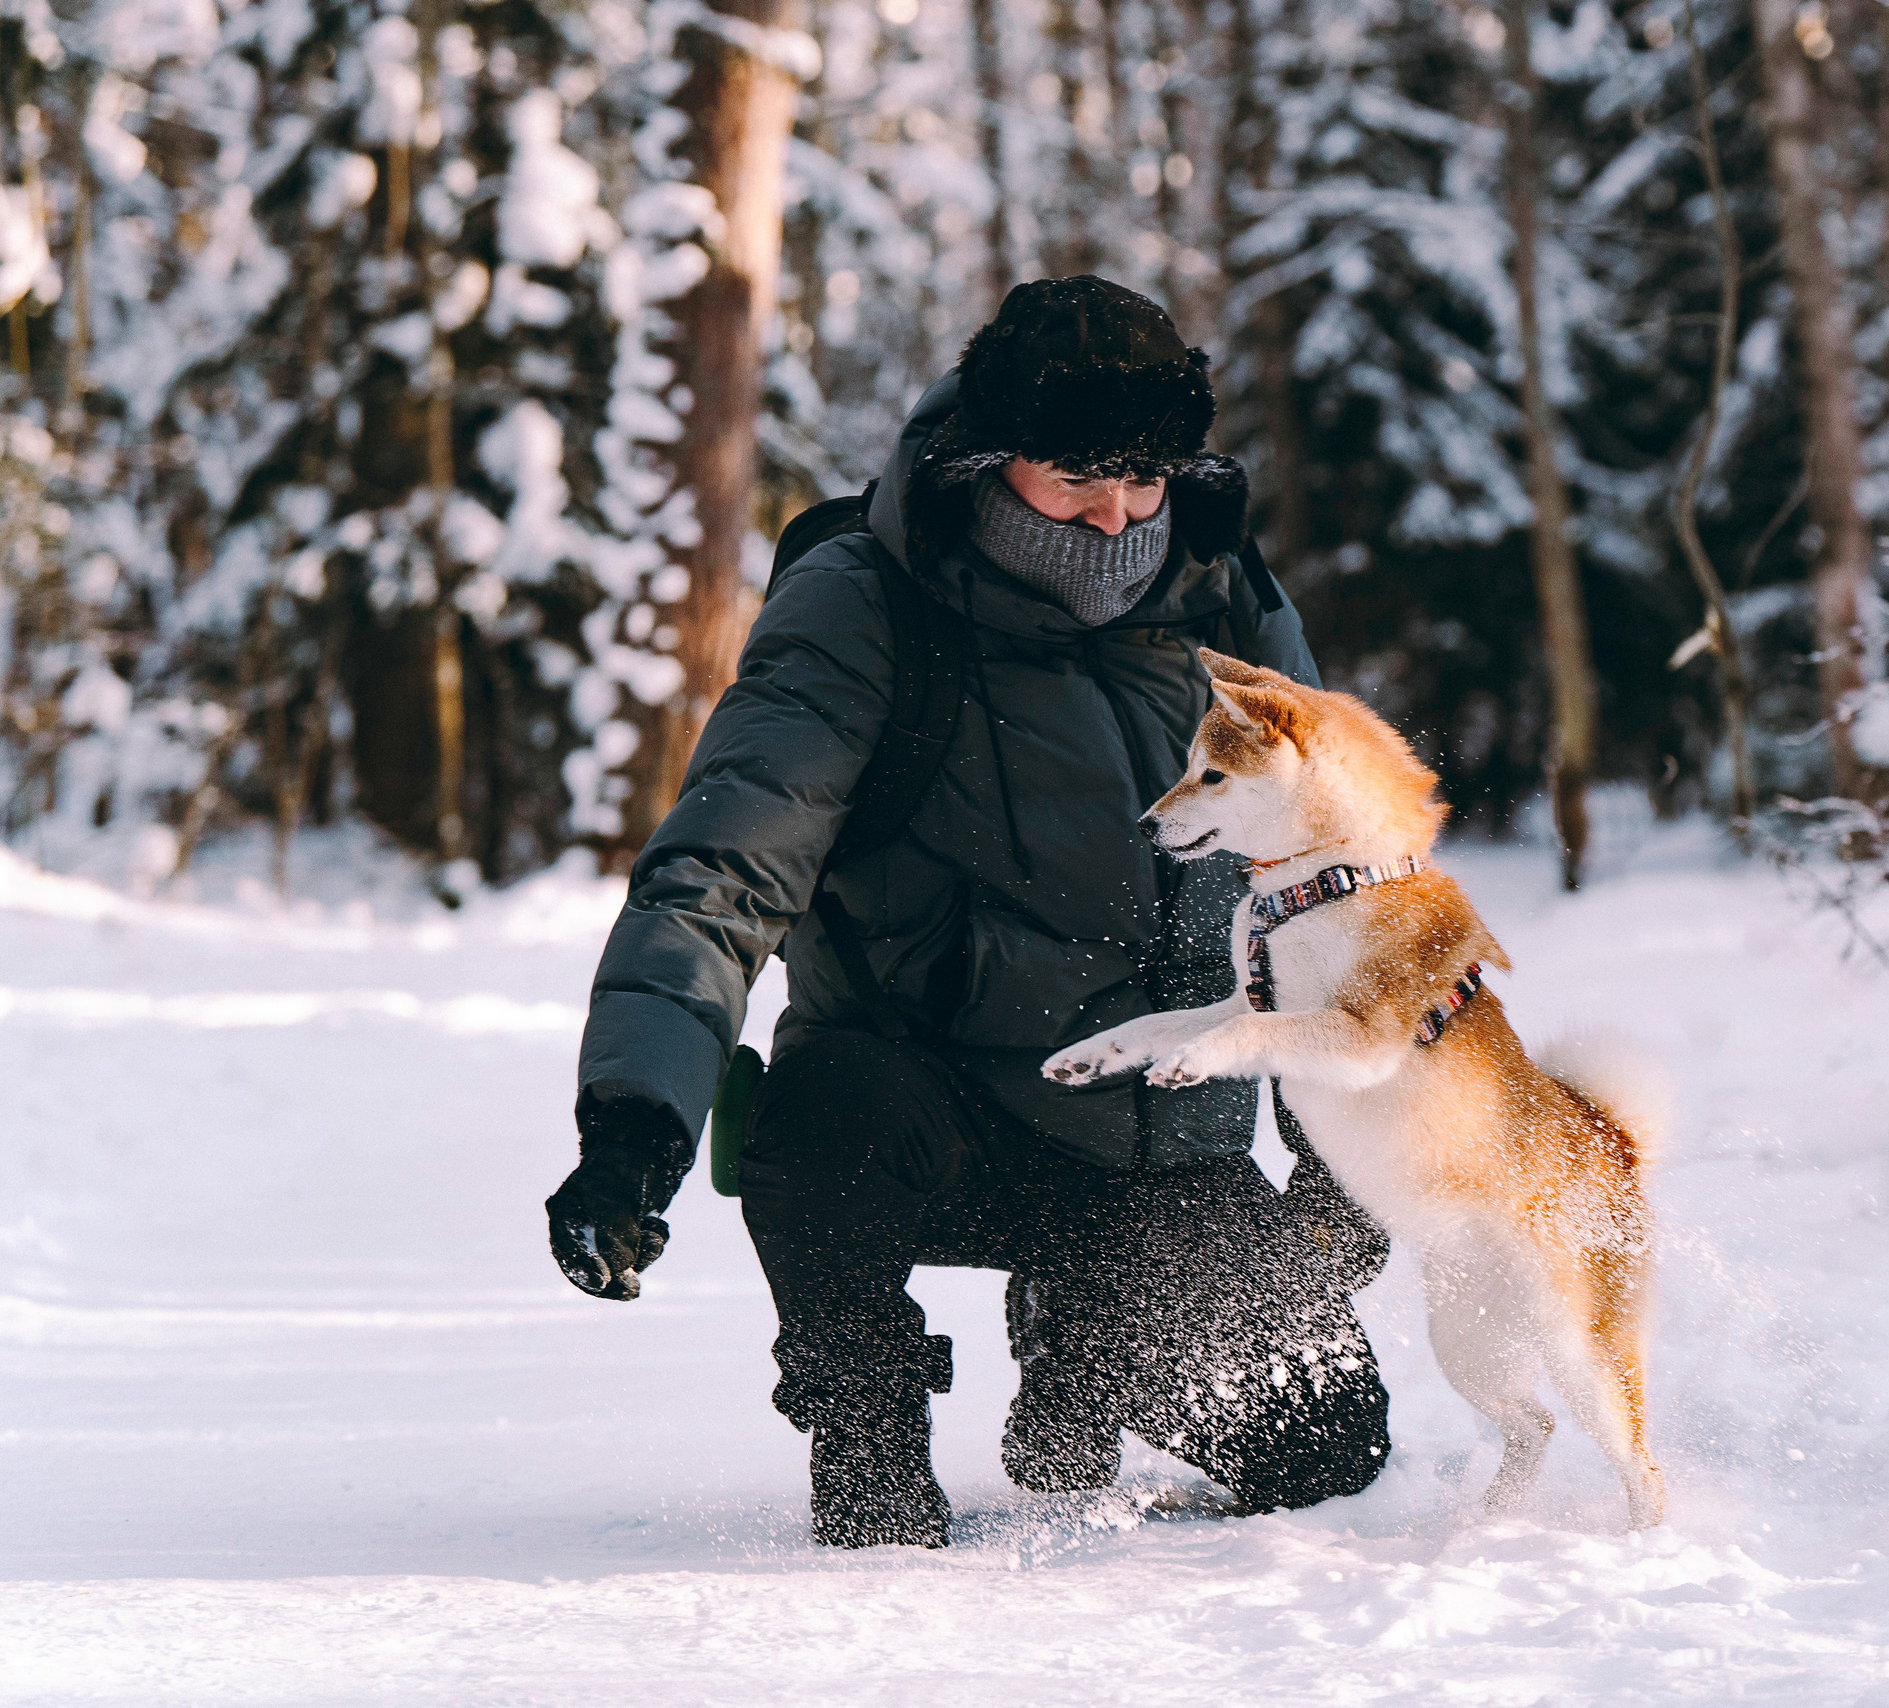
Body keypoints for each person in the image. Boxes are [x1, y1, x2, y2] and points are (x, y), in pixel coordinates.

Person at [544, 277, 1391, 1547]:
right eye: (1077, 484)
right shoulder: (865, 603)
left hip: (1156, 1146)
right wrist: (631, 1124)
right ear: (993, 466)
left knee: (1325, 1442)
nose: (1117, 519)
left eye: (1147, 482)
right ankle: (864, 1416)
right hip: (933, 1119)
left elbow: (1332, 883)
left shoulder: (1227, 600)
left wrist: (1345, 1145)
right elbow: (723, 871)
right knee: (819, 1125)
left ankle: (1085, 1328)